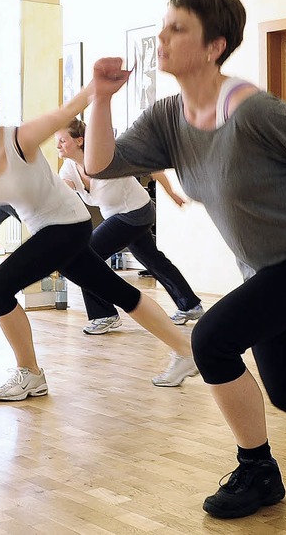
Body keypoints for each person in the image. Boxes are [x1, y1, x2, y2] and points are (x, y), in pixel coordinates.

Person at [84, 0, 286, 519]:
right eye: (162, 26)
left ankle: (257, 470)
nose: (162, 38)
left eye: (177, 28)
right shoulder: (170, 117)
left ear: (214, 46)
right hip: (265, 267)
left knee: (211, 341)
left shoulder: (251, 110)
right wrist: (100, 98)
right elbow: (102, 163)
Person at [0, 78, 195, 401]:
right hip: (51, 232)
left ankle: (30, 373)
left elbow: (66, 111)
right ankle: (186, 351)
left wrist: (100, 86)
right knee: (117, 291)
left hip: (67, 226)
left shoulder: (19, 138)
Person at [55, 118, 203, 387]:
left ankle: (104, 315)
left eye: (62, 140)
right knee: (153, 260)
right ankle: (190, 305)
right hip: (120, 215)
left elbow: (154, 170)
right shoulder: (69, 168)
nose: (58, 146)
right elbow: (61, 189)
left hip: (136, 212)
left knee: (85, 256)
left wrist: (173, 195)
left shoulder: (107, 157)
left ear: (79, 140)